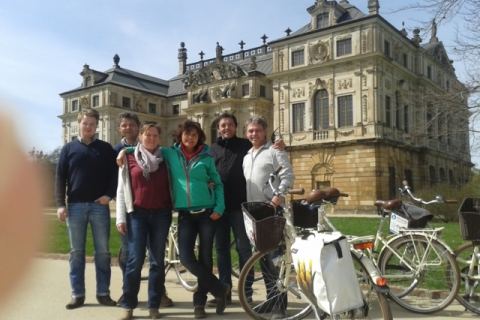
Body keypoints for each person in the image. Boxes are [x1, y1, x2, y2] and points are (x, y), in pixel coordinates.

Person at [161, 120, 230, 319]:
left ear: (199, 137)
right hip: (185, 215)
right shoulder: (171, 154)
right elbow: (148, 146)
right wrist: (125, 151)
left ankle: (199, 304)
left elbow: (217, 184)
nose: (190, 137)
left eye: (194, 135)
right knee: (186, 258)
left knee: (206, 258)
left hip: (207, 214)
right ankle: (219, 288)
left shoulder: (207, 158)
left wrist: (219, 207)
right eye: (187, 134)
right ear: (180, 135)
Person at [55, 108, 117, 309]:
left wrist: (109, 195)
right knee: (76, 252)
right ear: (79, 123)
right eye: (85, 123)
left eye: (92, 124)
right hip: (75, 207)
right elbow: (60, 178)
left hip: (99, 207)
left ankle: (103, 293)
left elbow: (113, 176)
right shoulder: (68, 149)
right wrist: (59, 205)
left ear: (97, 126)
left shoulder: (106, 148)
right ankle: (77, 294)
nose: (88, 127)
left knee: (103, 253)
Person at [114, 112, 174, 308]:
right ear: (140, 136)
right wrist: (120, 218)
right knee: (135, 260)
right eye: (147, 135)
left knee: (157, 262)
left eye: (155, 135)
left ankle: (154, 304)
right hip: (137, 214)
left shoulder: (166, 157)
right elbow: (121, 190)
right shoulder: (129, 157)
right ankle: (128, 303)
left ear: (160, 138)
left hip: (161, 215)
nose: (151, 138)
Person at [242, 116, 294, 318]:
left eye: (257, 130)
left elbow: (288, 175)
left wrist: (277, 198)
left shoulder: (275, 151)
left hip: (271, 210)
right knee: (262, 259)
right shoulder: (247, 156)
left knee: (275, 260)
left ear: (265, 132)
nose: (253, 134)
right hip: (254, 214)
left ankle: (280, 306)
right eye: (250, 131)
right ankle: (271, 300)